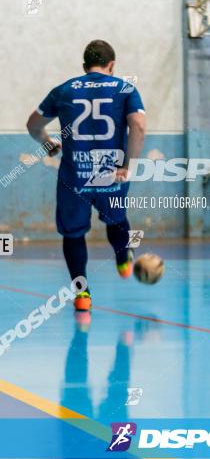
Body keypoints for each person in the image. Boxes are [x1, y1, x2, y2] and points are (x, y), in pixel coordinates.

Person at [26, 39, 146, 311]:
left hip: (74, 177)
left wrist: (48, 143)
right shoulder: (125, 88)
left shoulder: (64, 89)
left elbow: (33, 124)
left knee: (73, 235)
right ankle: (123, 258)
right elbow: (138, 126)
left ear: (84, 66)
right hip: (110, 173)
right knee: (116, 218)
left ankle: (82, 295)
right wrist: (128, 164)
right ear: (112, 65)